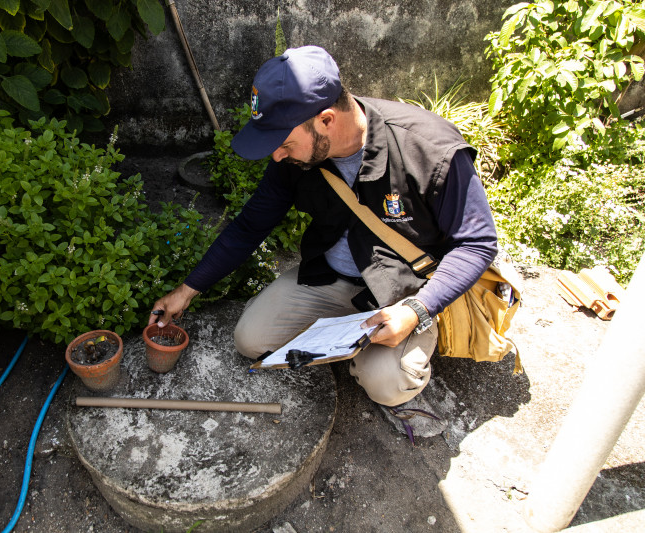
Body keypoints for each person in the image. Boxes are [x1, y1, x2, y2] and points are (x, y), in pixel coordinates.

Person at [149, 46, 497, 412]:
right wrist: (187, 291)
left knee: (387, 384)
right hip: (331, 278)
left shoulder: (428, 148)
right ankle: (349, 340)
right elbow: (251, 224)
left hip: (401, 292)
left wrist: (417, 310)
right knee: (250, 340)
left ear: (326, 120)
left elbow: (477, 243)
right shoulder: (296, 155)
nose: (277, 156)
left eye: (283, 143)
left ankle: (400, 339)